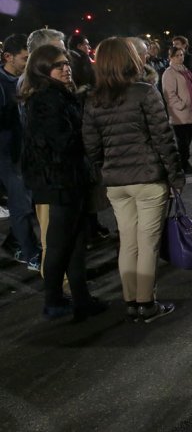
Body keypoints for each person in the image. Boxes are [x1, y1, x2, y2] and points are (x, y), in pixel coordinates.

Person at [82, 38, 185, 322]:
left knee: (127, 241)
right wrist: (175, 175)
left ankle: (131, 300)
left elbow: (91, 146)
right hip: (148, 178)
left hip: (116, 181)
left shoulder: (94, 99)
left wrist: (107, 167)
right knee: (148, 242)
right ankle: (146, 302)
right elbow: (164, 138)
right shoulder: (144, 92)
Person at [20, 44, 108, 321]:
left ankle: (79, 298)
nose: (65, 68)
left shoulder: (60, 95)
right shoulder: (47, 98)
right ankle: (55, 300)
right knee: (60, 242)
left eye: (66, 63)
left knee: (75, 240)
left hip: (67, 178)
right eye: (58, 65)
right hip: (60, 180)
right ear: (42, 70)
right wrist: (89, 135)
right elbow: (61, 142)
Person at [0, 34, 40, 271]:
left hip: (24, 151)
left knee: (28, 202)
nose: (27, 63)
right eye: (24, 59)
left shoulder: (24, 79)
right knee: (21, 205)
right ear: (8, 57)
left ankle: (16, 244)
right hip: (7, 154)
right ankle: (30, 254)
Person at [162, 46, 192, 174]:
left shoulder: (184, 70)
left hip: (189, 112)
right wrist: (181, 105)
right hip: (179, 113)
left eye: (182, 55)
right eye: (177, 55)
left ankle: (185, 164)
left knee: (186, 140)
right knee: (182, 142)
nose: (180, 57)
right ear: (171, 57)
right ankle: (182, 166)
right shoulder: (169, 73)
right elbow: (169, 94)